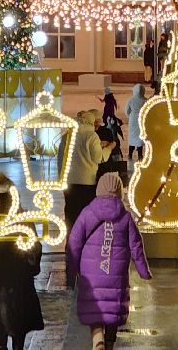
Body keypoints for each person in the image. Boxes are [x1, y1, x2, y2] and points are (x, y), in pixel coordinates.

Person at [66, 173, 150, 350]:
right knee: (112, 308)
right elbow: (136, 246)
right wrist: (143, 271)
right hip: (116, 274)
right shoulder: (125, 217)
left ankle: (98, 340)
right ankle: (110, 342)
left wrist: (71, 271)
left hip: (91, 273)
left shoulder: (87, 213)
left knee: (95, 308)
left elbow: (74, 243)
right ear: (119, 192)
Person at [0, 171, 44, 350]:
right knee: (18, 336)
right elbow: (35, 251)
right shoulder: (22, 217)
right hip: (19, 287)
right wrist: (31, 268)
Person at [64, 109, 112, 266]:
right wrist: (109, 148)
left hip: (69, 183)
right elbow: (98, 158)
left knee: (71, 215)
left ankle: (70, 247)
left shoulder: (68, 135)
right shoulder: (91, 136)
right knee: (86, 217)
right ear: (92, 122)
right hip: (87, 183)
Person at [124, 84, 147, 163]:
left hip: (133, 120)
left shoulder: (130, 100)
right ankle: (140, 155)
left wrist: (130, 117)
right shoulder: (145, 100)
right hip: (142, 119)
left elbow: (127, 111)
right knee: (140, 137)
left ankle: (130, 154)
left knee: (132, 137)